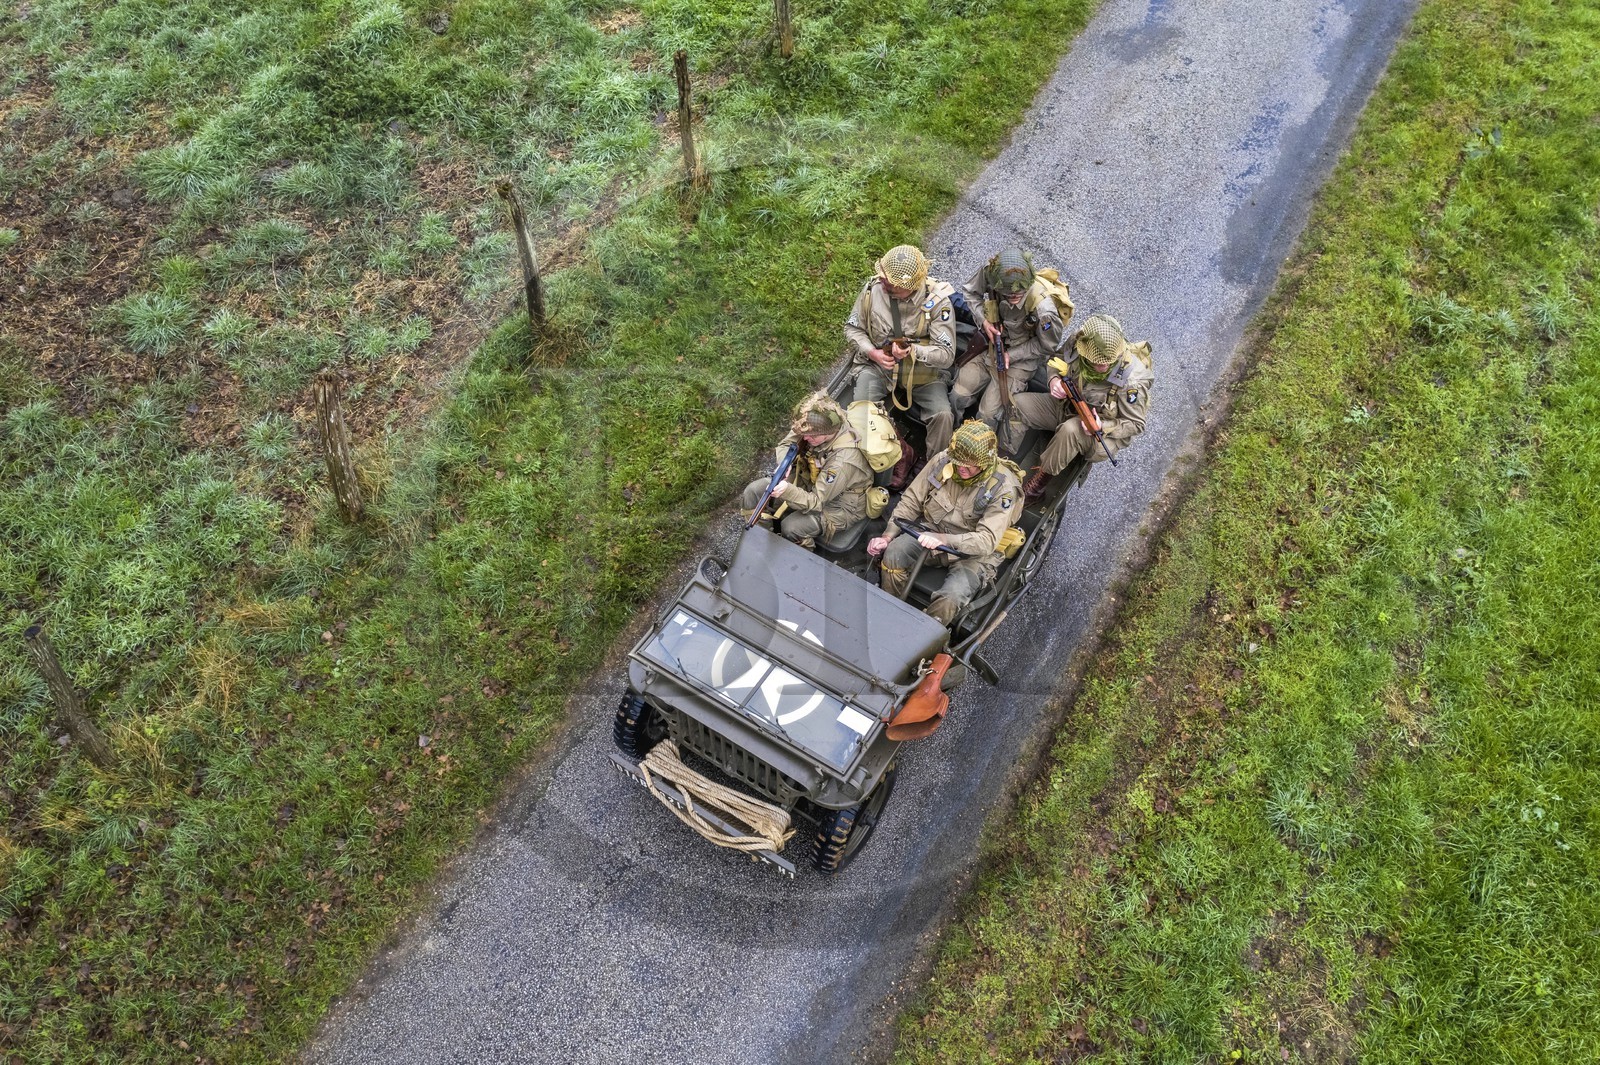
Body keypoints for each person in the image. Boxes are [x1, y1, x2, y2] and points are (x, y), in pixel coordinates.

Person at [866, 420, 1023, 626]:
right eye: (957, 462)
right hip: (932, 530)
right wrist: (887, 536)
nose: (960, 468)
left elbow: (987, 541)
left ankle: (926, 631)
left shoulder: (1003, 488)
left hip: (972, 554)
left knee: (951, 597)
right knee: (893, 554)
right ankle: (889, 613)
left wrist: (943, 540)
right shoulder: (943, 461)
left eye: (968, 465)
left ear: (985, 462)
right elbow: (912, 500)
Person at [1010, 313, 1154, 499]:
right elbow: (1057, 359)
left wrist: (1102, 426)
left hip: (1098, 434)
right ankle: (1009, 458)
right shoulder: (1078, 342)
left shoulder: (1132, 382)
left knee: (1070, 430)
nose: (1103, 367)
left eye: (1108, 362)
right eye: (1097, 362)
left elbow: (1136, 424)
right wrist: (1053, 380)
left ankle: (1038, 486)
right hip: (1066, 406)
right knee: (1017, 404)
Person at [951, 247, 1070, 453]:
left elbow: (1047, 346)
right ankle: (953, 434)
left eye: (1019, 292)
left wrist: (1010, 355)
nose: (1014, 295)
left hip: (1021, 359)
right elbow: (970, 292)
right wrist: (984, 321)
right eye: (1007, 292)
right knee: (957, 395)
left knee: (987, 414)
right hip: (990, 345)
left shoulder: (1044, 310)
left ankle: (980, 453)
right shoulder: (991, 272)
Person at [844, 244, 959, 457]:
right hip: (879, 368)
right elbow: (853, 329)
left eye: (890, 282)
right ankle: (875, 461)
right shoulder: (872, 291)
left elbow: (946, 355)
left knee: (943, 416)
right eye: (883, 277)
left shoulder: (938, 304)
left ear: (910, 286)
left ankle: (934, 468)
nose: (883, 282)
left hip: (923, 375)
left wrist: (914, 351)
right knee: (860, 413)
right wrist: (872, 353)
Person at [741, 391, 875, 550]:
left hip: (839, 504)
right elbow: (786, 444)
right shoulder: (812, 425)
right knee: (753, 492)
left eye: (810, 437)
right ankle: (760, 542)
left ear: (827, 433)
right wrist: (785, 464)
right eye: (803, 434)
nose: (805, 439)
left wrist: (787, 491)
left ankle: (801, 555)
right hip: (812, 480)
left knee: (791, 527)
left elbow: (817, 502)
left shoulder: (843, 461)